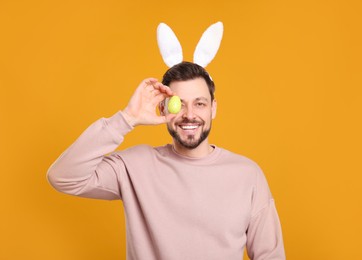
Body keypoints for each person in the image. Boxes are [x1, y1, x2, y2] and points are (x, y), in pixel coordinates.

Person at [47, 61, 286, 260]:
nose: (189, 114)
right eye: (178, 104)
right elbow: (64, 176)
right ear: (163, 109)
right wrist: (127, 118)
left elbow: (270, 256)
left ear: (213, 108)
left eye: (199, 104)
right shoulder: (135, 166)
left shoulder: (247, 175)